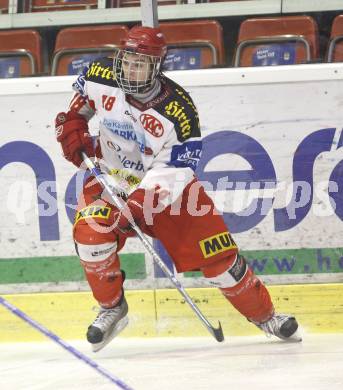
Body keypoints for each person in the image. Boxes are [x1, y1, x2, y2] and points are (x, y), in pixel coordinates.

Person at [55, 25, 301, 352]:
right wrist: (72, 124)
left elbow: (178, 168)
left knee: (220, 262)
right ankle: (112, 307)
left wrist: (142, 203)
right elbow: (81, 104)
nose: (130, 68)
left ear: (157, 66)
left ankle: (266, 316)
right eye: (127, 59)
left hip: (171, 195)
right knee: (90, 236)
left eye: (140, 63)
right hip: (113, 181)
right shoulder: (101, 72)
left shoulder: (179, 110)